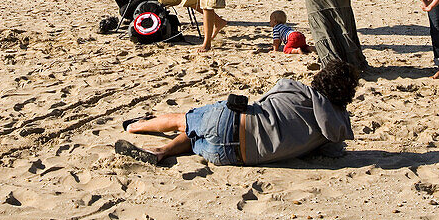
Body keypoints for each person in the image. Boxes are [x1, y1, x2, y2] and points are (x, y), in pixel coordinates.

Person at [115, 59, 357, 166]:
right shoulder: (336, 130)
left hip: (230, 121)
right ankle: (161, 151)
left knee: (184, 122)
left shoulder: (297, 89)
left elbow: (263, 101)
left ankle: (134, 126)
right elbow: (334, 151)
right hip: (231, 156)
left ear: (321, 78)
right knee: (196, 138)